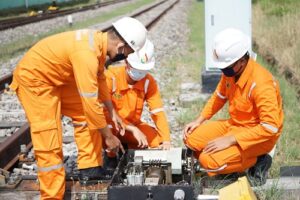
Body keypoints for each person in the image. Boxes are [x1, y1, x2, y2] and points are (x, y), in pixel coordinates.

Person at [9, 17, 147, 199]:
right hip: (35, 80)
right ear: (121, 45)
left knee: (83, 113)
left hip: (56, 78)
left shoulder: (98, 43)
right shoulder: (86, 54)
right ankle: (51, 196)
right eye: (128, 52)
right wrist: (108, 137)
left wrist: (113, 113)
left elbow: (100, 80)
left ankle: (89, 168)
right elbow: (91, 103)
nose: (127, 57)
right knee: (49, 138)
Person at [183, 28, 283, 184]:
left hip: (257, 136)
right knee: (191, 138)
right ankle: (231, 159)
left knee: (208, 160)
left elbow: (270, 127)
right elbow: (219, 96)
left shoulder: (261, 83)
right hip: (234, 125)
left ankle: (260, 159)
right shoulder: (232, 72)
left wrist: (231, 140)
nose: (223, 70)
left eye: (227, 66)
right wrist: (199, 120)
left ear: (242, 61)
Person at [103, 39, 171, 166]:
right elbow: (104, 111)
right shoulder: (111, 77)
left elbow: (158, 112)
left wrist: (166, 140)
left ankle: (127, 149)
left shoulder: (148, 82)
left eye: (144, 70)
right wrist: (131, 128)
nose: (140, 73)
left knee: (156, 140)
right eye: (137, 68)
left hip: (132, 128)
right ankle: (110, 157)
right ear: (126, 62)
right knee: (102, 131)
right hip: (111, 126)